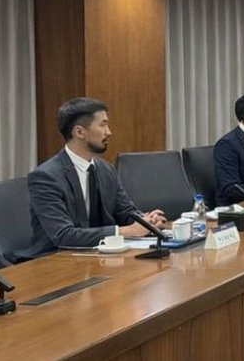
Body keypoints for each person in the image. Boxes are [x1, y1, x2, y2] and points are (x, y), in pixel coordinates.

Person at [17, 98, 168, 260]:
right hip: (56, 258)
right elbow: (63, 235)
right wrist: (128, 231)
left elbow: (125, 212)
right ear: (79, 132)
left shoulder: (106, 169)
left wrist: (146, 222)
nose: (109, 132)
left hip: (99, 256)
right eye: (102, 125)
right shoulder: (46, 177)